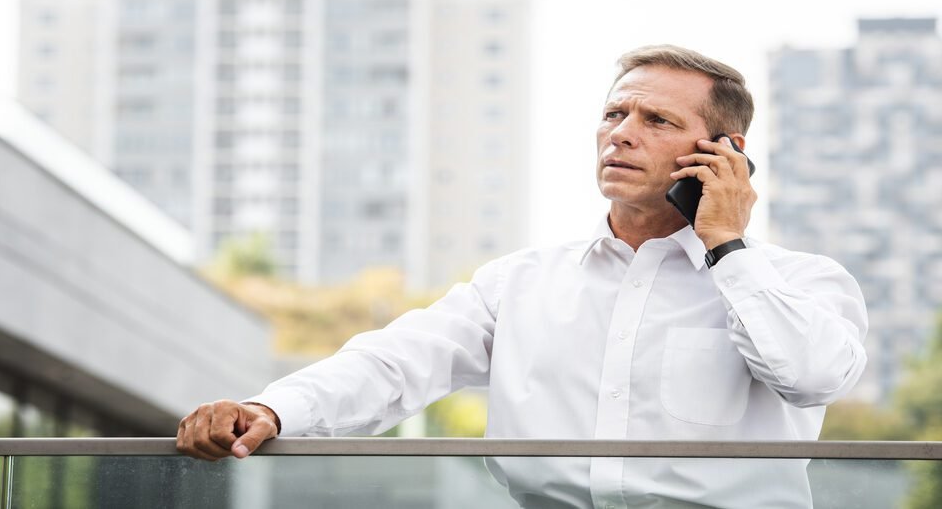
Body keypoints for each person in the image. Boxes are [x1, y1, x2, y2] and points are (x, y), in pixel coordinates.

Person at [177, 45, 868, 508]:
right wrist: (270, 410)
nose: (621, 133)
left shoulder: (800, 283)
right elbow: (393, 363)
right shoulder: (523, 281)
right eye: (613, 113)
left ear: (724, 153)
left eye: (656, 119)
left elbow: (810, 376)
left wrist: (726, 244)